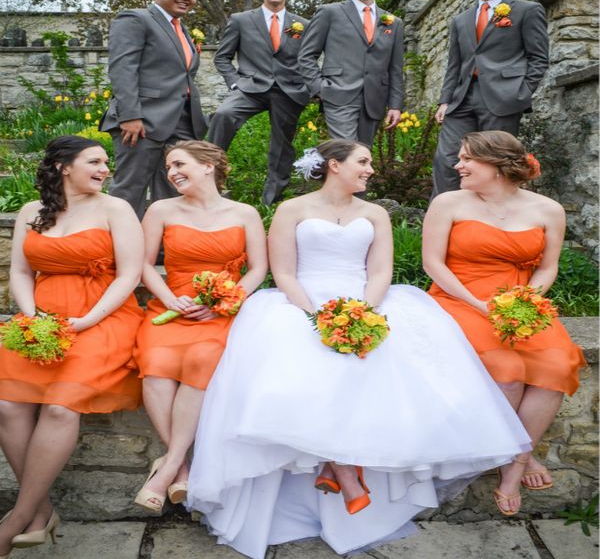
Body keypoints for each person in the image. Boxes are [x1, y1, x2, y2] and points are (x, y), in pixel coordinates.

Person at [186, 139, 531, 558]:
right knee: (308, 370)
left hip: (367, 301)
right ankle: (344, 471)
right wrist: (317, 318)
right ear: (335, 165)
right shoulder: (292, 210)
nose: (370, 169)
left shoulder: (375, 213)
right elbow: (284, 272)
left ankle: (341, 468)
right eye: (363, 162)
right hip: (301, 303)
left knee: (379, 371)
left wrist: (363, 313)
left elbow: (380, 269)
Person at [423, 130, 585, 516]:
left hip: (520, 302)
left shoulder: (548, 209)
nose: (457, 165)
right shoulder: (449, 203)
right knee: (509, 373)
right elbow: (434, 263)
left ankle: (514, 461)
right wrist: (478, 304)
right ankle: (517, 458)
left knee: (558, 365)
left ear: (496, 167)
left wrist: (527, 300)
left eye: (467, 160)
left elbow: (547, 267)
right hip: (459, 296)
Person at [0, 136, 143, 557]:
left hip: (102, 317)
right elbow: (22, 272)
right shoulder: (31, 212)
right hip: (41, 320)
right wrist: (31, 316)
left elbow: (129, 275)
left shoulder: (116, 209)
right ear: (64, 166)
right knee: (7, 405)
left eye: (106, 162)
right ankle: (40, 511)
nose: (105, 169)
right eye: (95, 161)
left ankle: (15, 519)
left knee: (61, 407)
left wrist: (87, 320)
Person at [132, 141, 268, 512]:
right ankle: (183, 466)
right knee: (155, 362)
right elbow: (143, 264)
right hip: (170, 306)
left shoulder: (244, 213)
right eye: (169, 167)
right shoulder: (161, 209)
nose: (172, 172)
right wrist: (170, 298)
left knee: (203, 358)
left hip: (220, 312)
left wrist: (224, 302)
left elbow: (258, 268)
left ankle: (169, 467)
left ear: (208, 165)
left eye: (180, 164)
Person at [431, 0, 549, 197]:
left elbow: (538, 58)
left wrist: (521, 92)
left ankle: (491, 222)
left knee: (494, 162)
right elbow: (454, 65)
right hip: (462, 98)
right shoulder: (460, 20)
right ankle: (445, 219)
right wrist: (445, 101)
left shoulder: (527, 10)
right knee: (447, 159)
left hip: (503, 98)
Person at [99, 0, 208, 219]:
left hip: (182, 122)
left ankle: (161, 248)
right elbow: (122, 69)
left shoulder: (180, 29)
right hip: (142, 120)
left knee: (174, 188)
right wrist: (130, 115)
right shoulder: (135, 19)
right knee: (130, 188)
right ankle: (120, 249)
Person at [208, 0, 310, 205]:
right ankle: (210, 180)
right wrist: (235, 82)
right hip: (249, 87)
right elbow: (222, 57)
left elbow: (308, 60)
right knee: (223, 115)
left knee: (282, 145)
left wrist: (306, 87)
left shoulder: (302, 24)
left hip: (288, 90)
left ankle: (271, 202)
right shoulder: (241, 20)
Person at [297, 0, 403, 146]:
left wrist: (395, 105)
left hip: (374, 99)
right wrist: (319, 89)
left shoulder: (394, 22)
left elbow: (395, 68)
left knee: (363, 154)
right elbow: (306, 55)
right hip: (338, 94)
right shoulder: (329, 12)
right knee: (346, 151)